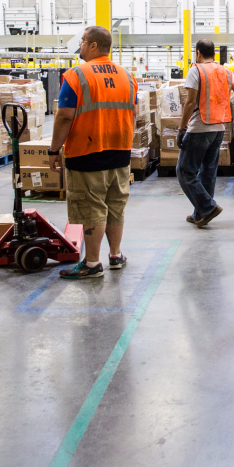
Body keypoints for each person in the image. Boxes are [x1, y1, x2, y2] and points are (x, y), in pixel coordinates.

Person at [49, 26, 138, 280]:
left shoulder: (77, 75)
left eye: (84, 42)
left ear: (94, 46)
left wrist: (54, 150)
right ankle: (116, 255)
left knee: (92, 208)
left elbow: (65, 116)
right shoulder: (127, 76)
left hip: (88, 153)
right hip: (120, 151)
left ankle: (91, 263)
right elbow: (132, 112)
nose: (81, 46)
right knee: (115, 205)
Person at [177, 39, 234, 228]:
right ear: (213, 53)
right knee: (208, 171)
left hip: (199, 128)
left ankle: (208, 207)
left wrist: (181, 128)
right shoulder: (226, 72)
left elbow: (190, 103)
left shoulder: (196, 70)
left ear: (198, 53)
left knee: (184, 171)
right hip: (218, 129)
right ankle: (200, 213)